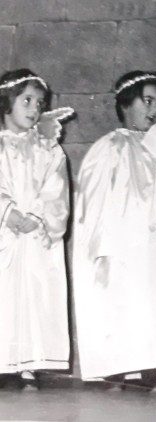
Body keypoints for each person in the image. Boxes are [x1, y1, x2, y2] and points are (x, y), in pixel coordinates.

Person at [72, 70, 156, 388]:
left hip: (155, 241)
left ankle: (155, 362)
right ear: (125, 104)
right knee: (125, 299)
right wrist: (98, 246)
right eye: (147, 101)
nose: (154, 110)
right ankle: (125, 363)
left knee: (155, 299)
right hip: (121, 243)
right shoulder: (109, 147)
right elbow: (92, 203)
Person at [0, 69, 71, 390]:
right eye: (26, 100)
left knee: (33, 293)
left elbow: (57, 189)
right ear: (6, 103)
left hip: (35, 233)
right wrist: (7, 211)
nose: (34, 109)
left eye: (39, 103)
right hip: (5, 230)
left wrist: (38, 216)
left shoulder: (49, 149)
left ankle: (29, 362)